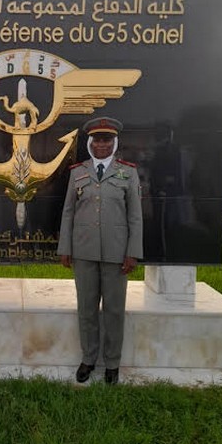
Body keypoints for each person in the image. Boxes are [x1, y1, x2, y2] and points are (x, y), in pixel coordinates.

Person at [58, 116, 143, 385]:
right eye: (97, 140)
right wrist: (65, 247)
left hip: (117, 254)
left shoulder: (128, 172)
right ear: (90, 143)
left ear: (114, 143)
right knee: (86, 309)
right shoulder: (77, 172)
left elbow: (135, 217)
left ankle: (113, 363)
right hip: (83, 251)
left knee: (114, 311)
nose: (102, 144)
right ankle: (88, 359)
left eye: (107, 139)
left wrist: (132, 252)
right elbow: (68, 213)